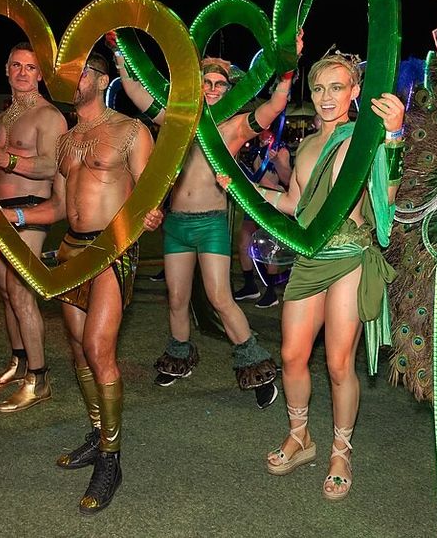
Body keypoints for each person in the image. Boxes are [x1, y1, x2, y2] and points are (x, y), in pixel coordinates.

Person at [0, 51, 158, 514]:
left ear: (102, 80)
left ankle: (111, 459)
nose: (72, 79)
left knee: (99, 349)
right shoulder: (66, 141)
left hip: (111, 251)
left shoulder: (131, 130)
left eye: (81, 72)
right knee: (79, 349)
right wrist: (12, 217)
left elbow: (149, 194)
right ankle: (98, 432)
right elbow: (59, 208)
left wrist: (152, 215)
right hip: (70, 249)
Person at [246, 52, 404, 501]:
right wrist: (244, 187)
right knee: (292, 355)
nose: (326, 97)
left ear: (355, 92)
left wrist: (395, 135)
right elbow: (295, 205)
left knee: (338, 363)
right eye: (318, 88)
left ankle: (341, 451)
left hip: (350, 256)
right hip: (310, 258)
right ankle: (300, 437)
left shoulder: (366, 138)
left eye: (337, 87)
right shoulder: (308, 145)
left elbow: (388, 193)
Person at [116, 32, 303, 408]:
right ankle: (179, 356)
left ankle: (256, 365)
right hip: (177, 225)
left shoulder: (233, 127)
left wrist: (287, 68)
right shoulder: (179, 120)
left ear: (229, 89)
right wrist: (121, 58)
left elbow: (274, 106)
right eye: (208, 82)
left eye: (220, 83)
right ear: (197, 85)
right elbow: (138, 93)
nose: (214, 88)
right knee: (176, 298)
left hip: (212, 223)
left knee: (220, 297)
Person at [0, 42, 67, 412]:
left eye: (30, 67)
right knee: (5, 292)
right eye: (16, 65)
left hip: (29, 212)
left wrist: (6, 159)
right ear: (6, 70)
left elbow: (50, 166)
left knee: (21, 292)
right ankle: (19, 362)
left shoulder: (49, 116)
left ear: (40, 74)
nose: (23, 73)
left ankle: (39, 378)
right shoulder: (4, 117)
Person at [234, 128, 292, 308]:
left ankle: (271, 292)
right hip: (254, 202)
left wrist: (277, 161)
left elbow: (288, 179)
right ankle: (250, 285)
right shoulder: (254, 149)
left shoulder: (281, 150)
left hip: (272, 202)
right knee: (243, 243)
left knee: (269, 247)